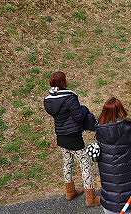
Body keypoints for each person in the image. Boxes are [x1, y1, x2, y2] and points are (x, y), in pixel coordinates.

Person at [44, 71, 100, 207]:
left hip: (61, 135)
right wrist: (85, 109)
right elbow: (79, 117)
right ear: (63, 82)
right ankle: (90, 198)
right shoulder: (69, 98)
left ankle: (70, 192)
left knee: (67, 163)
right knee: (85, 164)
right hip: (73, 136)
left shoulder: (48, 100)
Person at [96, 97, 131, 214]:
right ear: (121, 110)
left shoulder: (99, 129)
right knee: (127, 200)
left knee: (110, 194)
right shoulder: (129, 128)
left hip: (107, 176)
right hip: (126, 173)